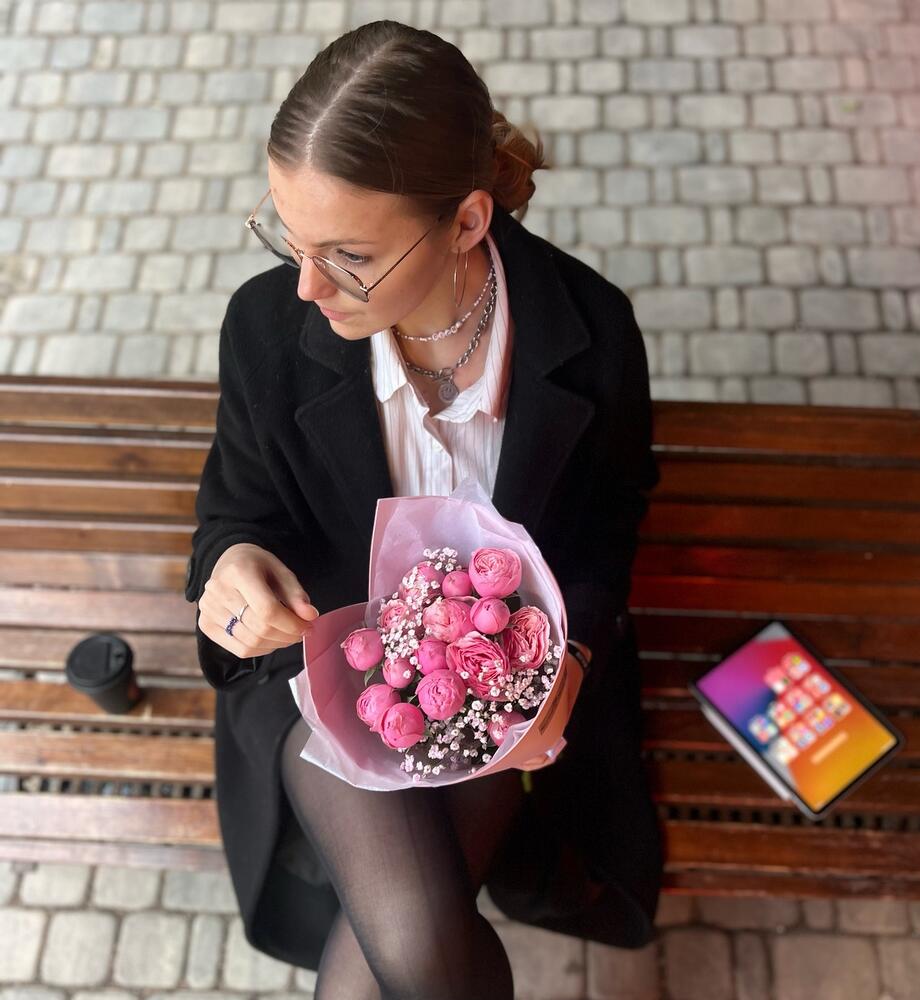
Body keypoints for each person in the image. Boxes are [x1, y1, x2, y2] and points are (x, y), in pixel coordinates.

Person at [184, 18, 662, 1000]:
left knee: (403, 960)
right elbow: (233, 514)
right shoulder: (266, 330)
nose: (306, 284)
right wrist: (230, 569)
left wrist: (570, 658)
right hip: (325, 675)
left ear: (470, 222)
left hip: (499, 686)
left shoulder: (594, 331)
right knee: (418, 943)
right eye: (288, 237)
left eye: (349, 255)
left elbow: (609, 527)